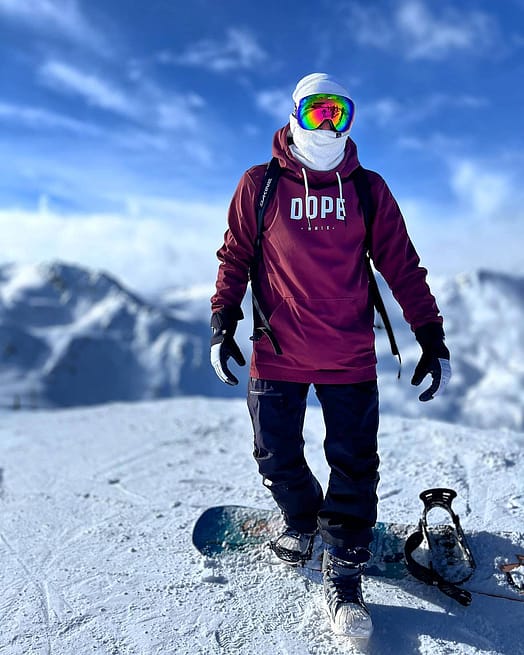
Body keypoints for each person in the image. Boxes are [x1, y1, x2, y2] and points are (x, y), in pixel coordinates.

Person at [209, 72, 451, 639]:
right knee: (274, 456)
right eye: (317, 113)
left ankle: (344, 572)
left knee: (355, 466)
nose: (327, 126)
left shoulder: (369, 189)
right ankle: (301, 517)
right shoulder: (259, 185)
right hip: (277, 350)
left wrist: (429, 331)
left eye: (339, 114)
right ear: (294, 115)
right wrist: (224, 320)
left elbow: (401, 264)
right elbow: (235, 257)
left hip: (348, 354)